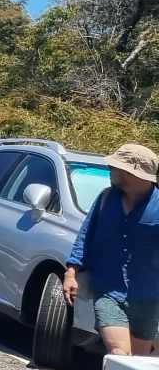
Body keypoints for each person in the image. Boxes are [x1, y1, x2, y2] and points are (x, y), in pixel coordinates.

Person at [63, 143, 159, 356]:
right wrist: (71, 273)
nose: (110, 170)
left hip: (148, 297)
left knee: (139, 363)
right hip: (108, 291)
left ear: (131, 174)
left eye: (115, 167)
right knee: (118, 354)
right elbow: (85, 236)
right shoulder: (106, 198)